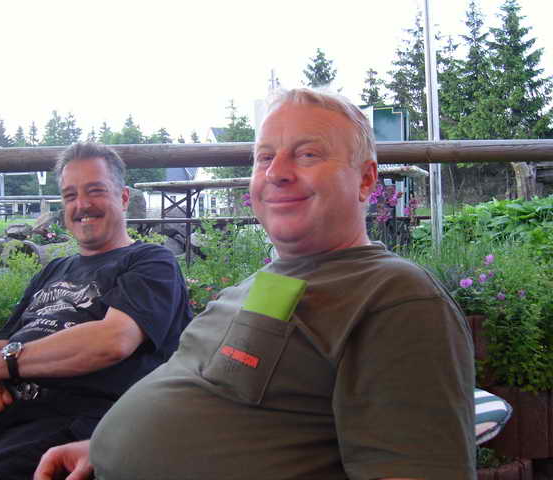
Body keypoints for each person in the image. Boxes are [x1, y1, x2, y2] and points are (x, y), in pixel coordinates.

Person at [35, 89, 476, 480]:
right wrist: (104, 448)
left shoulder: (395, 297)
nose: (275, 172)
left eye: (307, 155)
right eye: (264, 157)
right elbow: (219, 398)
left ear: (365, 180)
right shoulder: (265, 283)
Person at [0, 142, 193, 480]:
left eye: (95, 191)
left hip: (67, 422)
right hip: (0, 407)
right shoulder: (53, 269)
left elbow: (112, 340)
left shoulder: (150, 261)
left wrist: (1, 365)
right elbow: (1, 342)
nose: (81, 205)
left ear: (122, 198)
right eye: (70, 195)